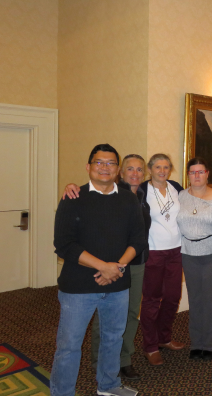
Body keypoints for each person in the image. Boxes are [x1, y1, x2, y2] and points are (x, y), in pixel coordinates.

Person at [51, 144, 147, 396]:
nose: (105, 167)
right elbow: (64, 245)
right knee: (69, 346)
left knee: (113, 339)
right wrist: (103, 267)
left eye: (111, 163)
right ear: (89, 166)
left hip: (117, 284)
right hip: (78, 287)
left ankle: (108, 386)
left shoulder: (128, 199)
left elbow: (138, 240)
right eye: (99, 162)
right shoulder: (73, 197)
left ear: (117, 169)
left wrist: (117, 267)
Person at [177, 157, 212, 361]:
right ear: (188, 175)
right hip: (188, 253)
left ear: (207, 174)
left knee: (209, 299)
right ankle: (196, 344)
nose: (196, 176)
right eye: (192, 172)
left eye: (200, 172)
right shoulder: (180, 196)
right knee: (195, 299)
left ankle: (209, 345)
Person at [139, 154, 185, 366]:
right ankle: (150, 345)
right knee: (151, 300)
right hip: (154, 252)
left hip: (176, 251)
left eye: (166, 167)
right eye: (158, 167)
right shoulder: (141, 190)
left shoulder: (176, 187)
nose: (162, 171)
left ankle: (164, 338)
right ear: (150, 169)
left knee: (173, 297)